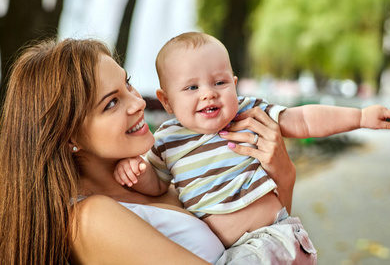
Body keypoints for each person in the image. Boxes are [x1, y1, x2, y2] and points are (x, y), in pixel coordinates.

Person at [0, 38, 297, 264]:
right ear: (68, 138)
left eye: (127, 84)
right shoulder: (91, 219)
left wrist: (283, 174)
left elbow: (267, 238)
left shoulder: (157, 176)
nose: (138, 103)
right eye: (112, 103)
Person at [114, 32, 390, 262]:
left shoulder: (249, 113)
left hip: (272, 238)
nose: (209, 93)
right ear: (166, 102)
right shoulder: (166, 140)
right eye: (192, 88)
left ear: (235, 86)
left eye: (220, 82)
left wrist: (361, 117)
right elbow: (157, 185)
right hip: (232, 254)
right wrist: (136, 171)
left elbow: (303, 119)